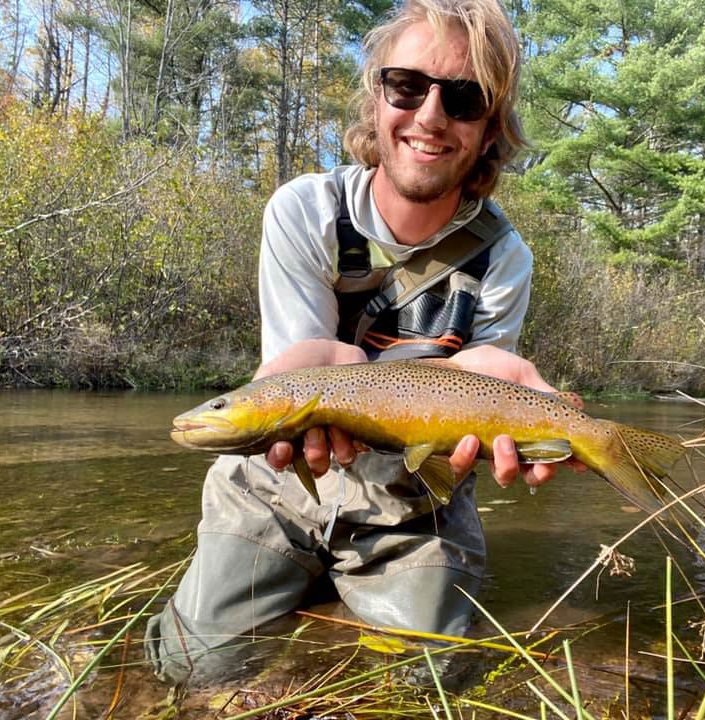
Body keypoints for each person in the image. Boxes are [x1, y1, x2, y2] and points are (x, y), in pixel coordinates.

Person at [145, 0, 579, 685]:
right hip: (279, 485)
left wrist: (510, 407)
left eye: (462, 98)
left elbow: (476, 382)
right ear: (377, 97)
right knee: (197, 672)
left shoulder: (506, 257)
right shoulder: (305, 211)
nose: (431, 115)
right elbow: (296, 380)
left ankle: (347, 601)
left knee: (429, 682)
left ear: (491, 127)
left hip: (415, 499)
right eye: (408, 85)